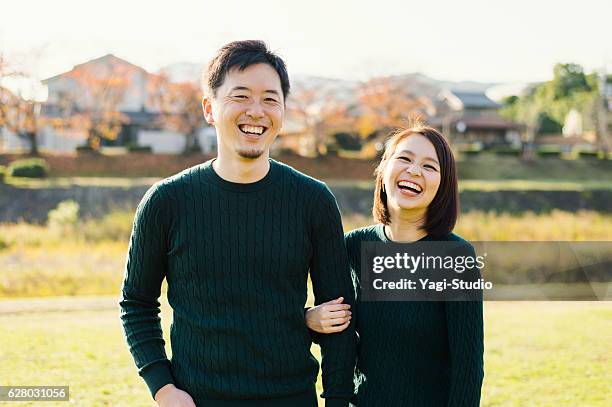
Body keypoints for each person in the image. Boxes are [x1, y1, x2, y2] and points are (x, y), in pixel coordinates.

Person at [120, 40, 356, 407]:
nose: (256, 111)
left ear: (283, 111)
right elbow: (136, 302)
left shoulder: (313, 201)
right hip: (197, 398)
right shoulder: (166, 201)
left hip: (291, 398)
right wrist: (163, 388)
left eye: (270, 99)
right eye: (241, 96)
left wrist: (338, 400)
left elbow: (340, 312)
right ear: (209, 109)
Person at [306, 124, 484, 406]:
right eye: (405, 158)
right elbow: (336, 331)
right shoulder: (352, 247)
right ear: (384, 168)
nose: (414, 170)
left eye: (430, 166)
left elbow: (468, 368)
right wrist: (309, 320)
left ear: (443, 185)